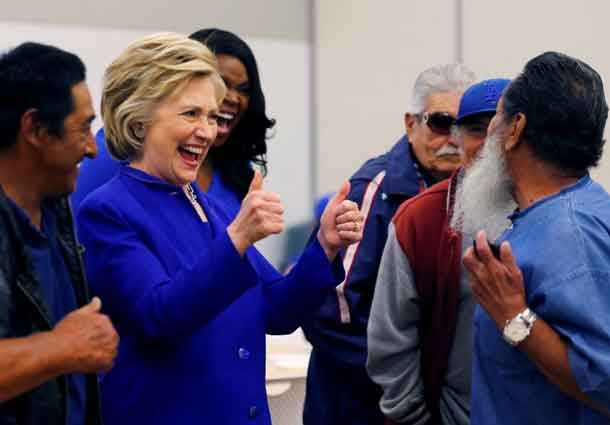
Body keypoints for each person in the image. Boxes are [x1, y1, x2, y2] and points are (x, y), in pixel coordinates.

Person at [76, 32, 364, 425]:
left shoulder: (208, 205)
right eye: (190, 114)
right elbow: (159, 316)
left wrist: (324, 245)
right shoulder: (108, 210)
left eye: (211, 117)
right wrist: (238, 239)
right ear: (139, 120)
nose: (208, 131)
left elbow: (277, 311)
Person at [301, 64, 476, 425]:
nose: (453, 139)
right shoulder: (373, 191)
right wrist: (405, 378)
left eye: (466, 126)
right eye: (441, 123)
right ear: (411, 123)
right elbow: (329, 314)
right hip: (359, 407)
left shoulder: (475, 193)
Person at [461, 52, 610, 424]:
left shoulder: (569, 233)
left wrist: (516, 318)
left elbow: (605, 381)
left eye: (496, 114)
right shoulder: (569, 213)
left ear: (515, 129)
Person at [367, 79, 510, 425]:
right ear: (457, 140)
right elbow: (391, 342)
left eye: (501, 129)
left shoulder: (552, 212)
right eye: (477, 130)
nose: (490, 145)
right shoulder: (419, 219)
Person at [0, 42, 118, 424]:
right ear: (34, 128)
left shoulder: (58, 210)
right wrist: (63, 347)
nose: (92, 148)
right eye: (83, 127)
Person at [71, 28, 274, 218]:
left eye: (244, 90)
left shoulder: (235, 171)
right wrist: (236, 238)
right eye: (191, 113)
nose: (232, 98)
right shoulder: (112, 157)